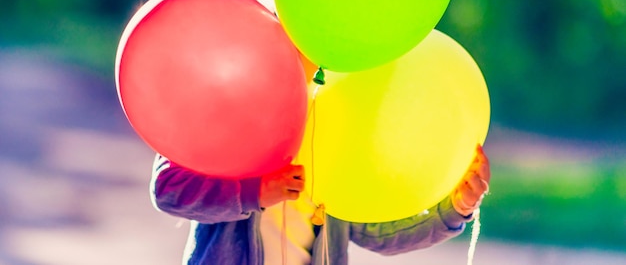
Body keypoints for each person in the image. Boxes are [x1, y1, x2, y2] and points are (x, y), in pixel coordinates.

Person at [150, 144, 490, 264]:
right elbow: (169, 188)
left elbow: (375, 231)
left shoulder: (339, 139)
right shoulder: (233, 120)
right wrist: (254, 191)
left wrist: (454, 208)